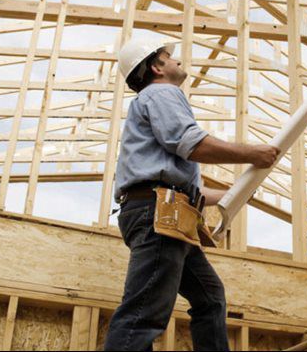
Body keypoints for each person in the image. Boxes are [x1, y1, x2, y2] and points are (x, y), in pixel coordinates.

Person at [104, 37, 280, 351]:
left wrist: (234, 193)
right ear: (156, 67)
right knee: (144, 312)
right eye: (169, 56)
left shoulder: (152, 100)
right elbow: (191, 143)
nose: (177, 60)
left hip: (166, 211)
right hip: (158, 212)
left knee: (210, 297)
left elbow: (188, 188)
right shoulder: (162, 93)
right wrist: (253, 154)